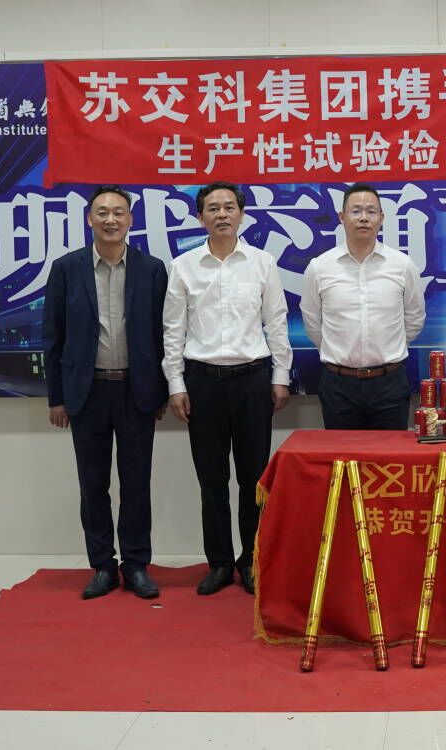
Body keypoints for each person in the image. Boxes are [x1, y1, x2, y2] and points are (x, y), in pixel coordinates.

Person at [162, 181, 293, 596]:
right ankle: (219, 562)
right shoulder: (183, 266)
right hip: (202, 383)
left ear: (241, 214)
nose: (222, 214)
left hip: (252, 380)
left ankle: (251, 560)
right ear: (200, 216)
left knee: (254, 479)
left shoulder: (262, 263)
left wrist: (280, 376)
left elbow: (276, 322)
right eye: (213, 208)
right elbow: (173, 331)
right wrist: (176, 383)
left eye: (229, 207)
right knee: (212, 479)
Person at [43, 185, 168, 600]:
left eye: (118, 212)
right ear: (89, 219)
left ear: (130, 220)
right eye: (102, 212)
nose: (110, 219)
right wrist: (56, 397)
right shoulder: (66, 269)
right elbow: (53, 336)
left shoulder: (152, 269)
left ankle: (136, 564)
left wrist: (161, 391)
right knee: (92, 483)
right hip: (87, 392)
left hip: (136, 391)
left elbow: (163, 335)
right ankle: (101, 565)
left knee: (137, 483)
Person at [300, 183, 425, 429]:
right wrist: (338, 352)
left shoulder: (402, 265)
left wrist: (390, 349)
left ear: (382, 218)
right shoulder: (320, 267)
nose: (364, 218)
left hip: (390, 383)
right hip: (338, 385)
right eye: (356, 211)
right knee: (342, 453)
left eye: (371, 211)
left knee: (390, 453)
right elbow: (312, 322)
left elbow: (414, 318)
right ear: (342, 217)